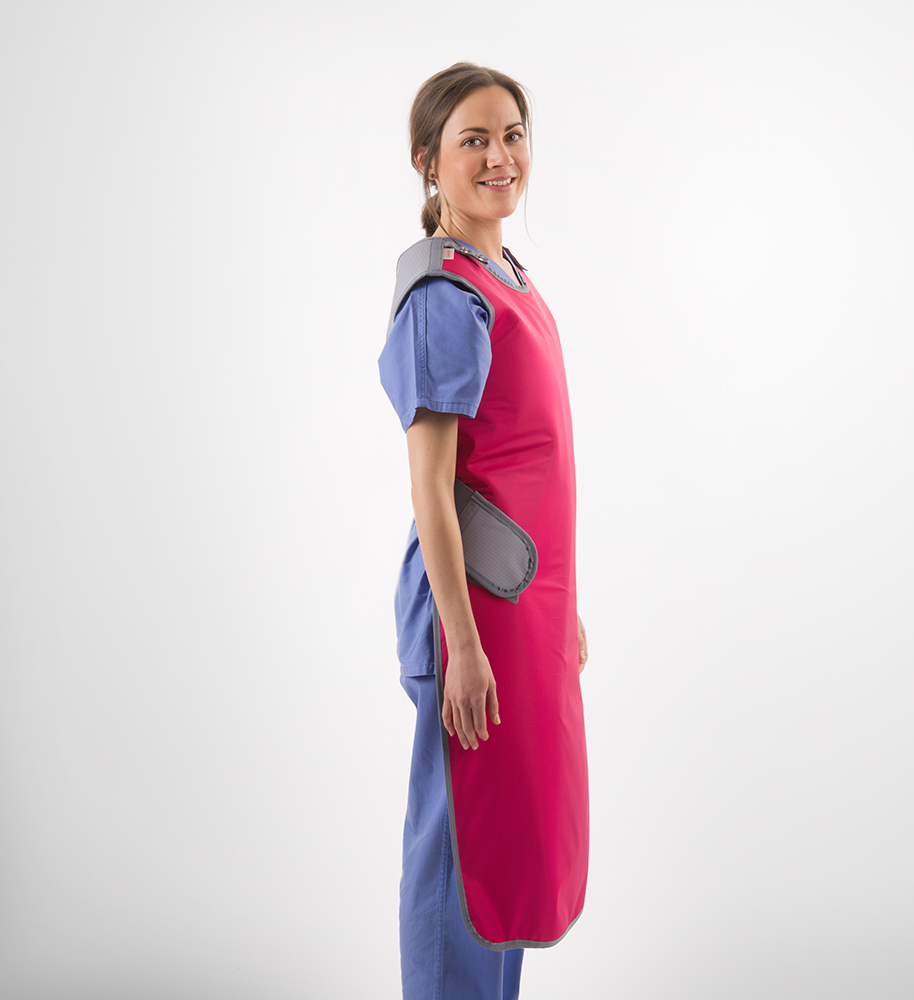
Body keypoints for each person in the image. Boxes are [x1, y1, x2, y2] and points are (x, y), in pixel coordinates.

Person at [377, 62, 590, 1000]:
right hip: (469, 612)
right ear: (429, 162)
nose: (500, 156)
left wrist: (558, 608)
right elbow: (432, 485)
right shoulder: (443, 296)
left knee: (504, 857)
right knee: (459, 856)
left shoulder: (506, 278)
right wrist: (462, 645)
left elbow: (523, 468)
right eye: (473, 140)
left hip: (519, 608)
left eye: (512, 134)